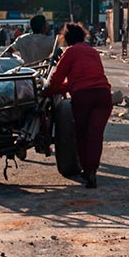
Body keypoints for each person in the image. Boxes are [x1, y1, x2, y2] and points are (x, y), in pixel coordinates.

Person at [46, 23, 112, 189]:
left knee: (82, 135)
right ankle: (92, 170)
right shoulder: (93, 52)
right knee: (95, 135)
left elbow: (57, 77)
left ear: (68, 39)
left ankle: (87, 170)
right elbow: (89, 76)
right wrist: (66, 86)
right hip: (103, 95)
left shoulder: (70, 52)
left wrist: (48, 91)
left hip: (83, 97)